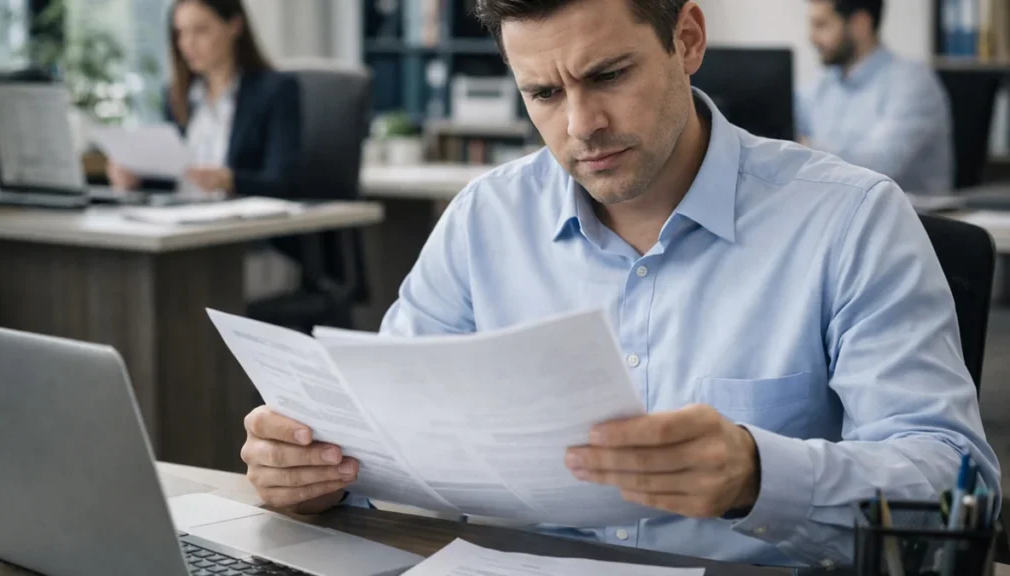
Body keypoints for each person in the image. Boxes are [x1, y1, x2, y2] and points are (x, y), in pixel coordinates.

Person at [238, 0, 998, 568]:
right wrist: (317, 468)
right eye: (542, 93)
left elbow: (949, 481)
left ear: (687, 39)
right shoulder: (484, 221)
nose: (580, 125)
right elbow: (383, 430)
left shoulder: (851, 219)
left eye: (608, 75)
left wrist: (757, 474)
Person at [107, 0, 300, 199]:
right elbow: (175, 178)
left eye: (200, 30)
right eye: (181, 32)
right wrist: (136, 179)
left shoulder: (275, 91)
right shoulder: (177, 96)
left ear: (234, 26)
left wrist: (228, 180)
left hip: (238, 221)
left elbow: (283, 183)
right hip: (180, 216)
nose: (187, 43)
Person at [798, 0, 954, 193]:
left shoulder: (912, 83)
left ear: (860, 25)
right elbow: (786, 132)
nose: (811, 37)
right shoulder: (820, 86)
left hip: (909, 218)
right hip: (838, 215)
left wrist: (805, 150)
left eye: (821, 25)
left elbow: (881, 165)